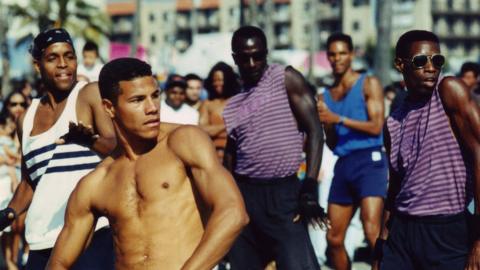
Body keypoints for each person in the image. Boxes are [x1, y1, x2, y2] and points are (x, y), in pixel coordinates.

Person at [45, 57, 249, 270]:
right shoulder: (96, 182)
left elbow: (233, 212)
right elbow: (58, 262)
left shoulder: (184, 142)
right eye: (137, 100)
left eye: (155, 96)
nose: (152, 108)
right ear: (109, 107)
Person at [0, 28, 117, 269]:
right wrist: (9, 213)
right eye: (53, 58)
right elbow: (29, 181)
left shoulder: (88, 94)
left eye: (69, 56)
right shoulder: (27, 118)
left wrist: (89, 141)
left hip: (90, 235)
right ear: (37, 66)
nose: (63, 64)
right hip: (42, 239)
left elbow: (115, 147)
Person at [223, 25, 326, 270]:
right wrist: (226, 197)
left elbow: (314, 131)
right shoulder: (234, 103)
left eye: (257, 55)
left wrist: (309, 187)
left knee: (299, 265)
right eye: (244, 58)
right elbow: (231, 154)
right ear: (235, 59)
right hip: (246, 195)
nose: (251, 63)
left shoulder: (285, 78)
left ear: (266, 53)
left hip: (284, 194)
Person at [375, 30, 480, 270]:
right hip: (401, 233)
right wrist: (381, 244)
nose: (431, 67)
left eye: (438, 60)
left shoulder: (449, 91)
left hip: (446, 231)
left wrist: (478, 237)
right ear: (400, 65)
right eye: (421, 61)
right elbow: (395, 188)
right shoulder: (393, 122)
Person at [316, 33, 387, 270]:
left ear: (352, 54)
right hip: (344, 163)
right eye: (332, 54)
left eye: (342, 53)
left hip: (370, 160)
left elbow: (377, 126)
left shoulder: (368, 82)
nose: (337, 58)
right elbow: (333, 143)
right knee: (333, 238)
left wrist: (338, 118)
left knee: (371, 231)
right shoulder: (324, 96)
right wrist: (328, 124)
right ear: (328, 57)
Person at [200, 62, 240, 161]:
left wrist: (214, 129)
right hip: (213, 154)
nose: (217, 84)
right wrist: (228, 125)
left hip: (236, 154)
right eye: (214, 80)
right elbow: (203, 130)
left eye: (220, 80)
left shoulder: (238, 101)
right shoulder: (207, 104)